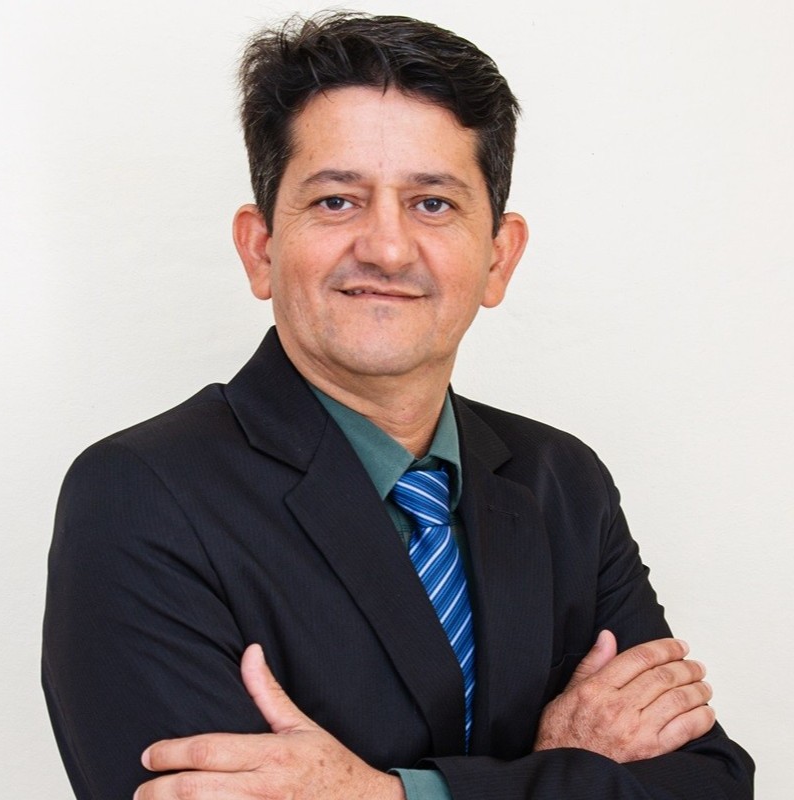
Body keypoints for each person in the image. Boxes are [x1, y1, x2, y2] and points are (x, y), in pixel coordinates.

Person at [42, 11, 753, 800]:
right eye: (337, 201)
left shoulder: (563, 483)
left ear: (498, 258)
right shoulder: (140, 497)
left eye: (433, 204)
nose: (385, 248)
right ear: (261, 247)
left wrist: (388, 794)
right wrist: (564, 770)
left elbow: (710, 784)